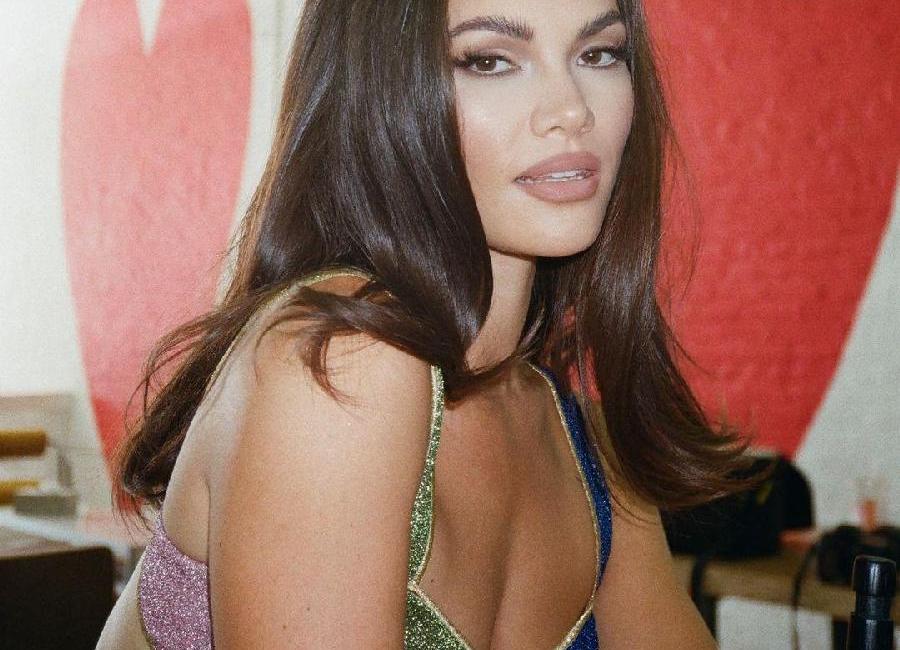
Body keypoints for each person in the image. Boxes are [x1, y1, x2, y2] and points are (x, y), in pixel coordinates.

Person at [97, 0, 757, 647]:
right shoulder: (341, 361)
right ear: (376, 92)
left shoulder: (583, 443)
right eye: (490, 60)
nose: (572, 109)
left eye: (599, 53)